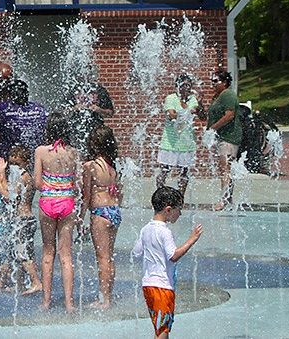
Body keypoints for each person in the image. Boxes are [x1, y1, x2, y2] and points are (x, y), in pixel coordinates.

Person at [132, 187, 203, 339]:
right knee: (163, 330)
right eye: (179, 210)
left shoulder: (145, 229)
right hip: (163, 286)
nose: (180, 214)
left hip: (148, 285)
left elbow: (136, 252)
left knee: (160, 328)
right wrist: (192, 239)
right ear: (168, 210)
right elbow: (173, 256)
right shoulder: (164, 231)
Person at [33, 113, 79, 312]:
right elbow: (76, 182)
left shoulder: (41, 151)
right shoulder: (73, 152)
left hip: (47, 203)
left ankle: (46, 301)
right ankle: (69, 303)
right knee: (66, 255)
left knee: (48, 252)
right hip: (68, 203)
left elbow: (36, 183)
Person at [0, 146, 43, 296]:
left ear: (24, 162)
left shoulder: (23, 176)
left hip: (23, 220)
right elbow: (10, 191)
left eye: (16, 164)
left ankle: (36, 282)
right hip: (25, 219)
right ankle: (20, 285)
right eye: (11, 164)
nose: (13, 168)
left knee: (21, 254)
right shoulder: (23, 175)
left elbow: (9, 198)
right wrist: (1, 176)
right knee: (21, 254)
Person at [80, 125, 121, 309]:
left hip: (100, 213)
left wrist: (80, 217)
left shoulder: (91, 166)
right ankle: (108, 298)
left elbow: (87, 196)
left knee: (102, 258)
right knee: (109, 257)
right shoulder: (113, 166)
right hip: (114, 211)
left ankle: (104, 301)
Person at [195, 71, 241, 211]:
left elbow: (229, 116)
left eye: (215, 81)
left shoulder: (228, 94)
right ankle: (227, 198)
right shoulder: (217, 96)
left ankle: (223, 200)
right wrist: (200, 104)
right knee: (225, 169)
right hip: (222, 138)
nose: (213, 84)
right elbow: (205, 118)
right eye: (212, 81)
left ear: (225, 82)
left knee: (225, 169)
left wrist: (212, 129)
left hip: (229, 137)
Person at [157, 74, 199, 196]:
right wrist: (188, 111)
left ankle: (180, 198)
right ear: (178, 86)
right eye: (183, 85)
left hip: (186, 142)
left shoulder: (193, 99)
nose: (186, 87)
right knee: (165, 170)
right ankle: (160, 195)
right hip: (170, 142)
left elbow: (198, 113)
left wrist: (198, 107)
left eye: (188, 85)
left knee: (184, 172)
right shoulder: (171, 98)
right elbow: (171, 115)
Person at [0, 79, 47, 159]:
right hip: (35, 158)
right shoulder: (39, 109)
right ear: (27, 93)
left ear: (10, 94)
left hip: (11, 159)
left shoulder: (1, 108)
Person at [65, 81, 114, 158]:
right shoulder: (73, 89)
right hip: (75, 131)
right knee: (76, 156)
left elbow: (110, 113)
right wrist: (75, 108)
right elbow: (64, 111)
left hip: (95, 131)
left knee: (94, 155)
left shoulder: (100, 90)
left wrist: (99, 109)